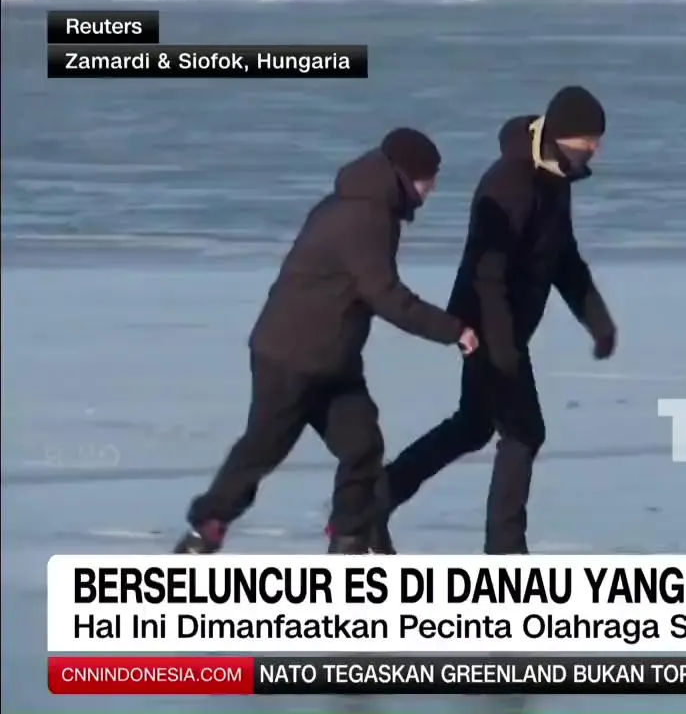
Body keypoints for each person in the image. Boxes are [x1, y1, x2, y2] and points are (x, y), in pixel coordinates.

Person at [174, 128, 479, 556]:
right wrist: (453, 330)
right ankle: (207, 528)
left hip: (333, 360)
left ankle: (349, 542)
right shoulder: (364, 217)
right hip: (292, 355)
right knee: (264, 447)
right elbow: (384, 294)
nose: (433, 189)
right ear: (406, 176)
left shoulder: (365, 206)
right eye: (430, 179)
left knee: (361, 445)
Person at [381, 85, 617, 555]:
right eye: (590, 141)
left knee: (473, 426)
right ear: (564, 137)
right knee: (523, 430)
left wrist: (597, 321)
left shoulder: (556, 180)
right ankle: (505, 552)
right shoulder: (510, 181)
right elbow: (487, 273)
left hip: (507, 328)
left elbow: (564, 259)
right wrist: (503, 350)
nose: (596, 150)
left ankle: (370, 503)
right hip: (484, 324)